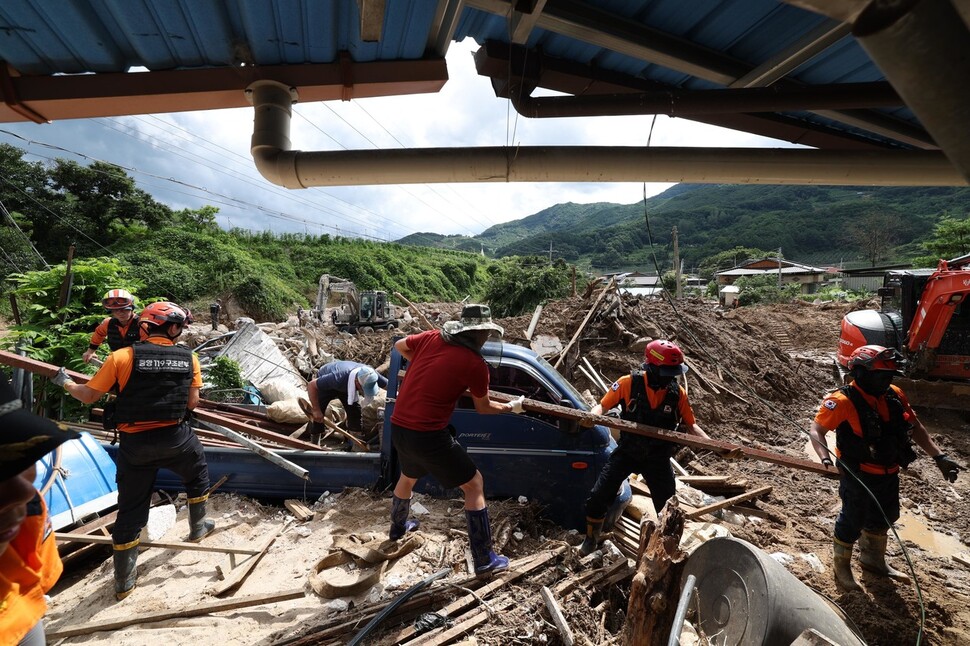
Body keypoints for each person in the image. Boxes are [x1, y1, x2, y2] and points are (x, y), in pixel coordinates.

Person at [53, 301, 214, 600]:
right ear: (175, 329)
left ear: (145, 326)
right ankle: (199, 527)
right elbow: (192, 404)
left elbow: (88, 396)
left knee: (131, 509)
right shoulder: (189, 359)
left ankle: (124, 583)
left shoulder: (121, 357)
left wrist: (65, 383)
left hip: (135, 445)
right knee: (197, 475)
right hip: (176, 438)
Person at [386, 304, 525, 576]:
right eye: (485, 333)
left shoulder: (430, 337)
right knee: (474, 484)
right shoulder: (474, 364)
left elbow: (400, 345)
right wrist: (511, 407)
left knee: (408, 476)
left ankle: (397, 528)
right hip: (428, 433)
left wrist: (424, 367)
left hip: (400, 425)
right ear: (480, 333)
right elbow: (483, 408)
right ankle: (484, 559)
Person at [809, 344, 961, 591]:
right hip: (858, 472)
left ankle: (872, 559)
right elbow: (817, 430)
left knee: (886, 516)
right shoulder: (842, 400)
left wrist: (939, 457)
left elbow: (917, 428)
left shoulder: (895, 394)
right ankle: (842, 566)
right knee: (853, 518)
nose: (886, 381)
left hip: (889, 471)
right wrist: (825, 458)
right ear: (860, 373)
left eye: (889, 376)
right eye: (881, 376)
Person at [579, 339, 718, 555]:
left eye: (674, 373)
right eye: (666, 372)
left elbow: (692, 427)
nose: (670, 378)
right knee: (598, 496)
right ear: (651, 367)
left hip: (658, 458)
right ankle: (591, 540)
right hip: (628, 451)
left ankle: (667, 550)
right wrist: (592, 417)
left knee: (669, 510)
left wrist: (716, 446)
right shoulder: (627, 383)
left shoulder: (677, 394)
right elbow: (602, 406)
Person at [0, 376, 81, 645]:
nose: (22, 492)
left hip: (16, 612)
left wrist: (66, 382)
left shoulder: (28, 512)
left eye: (18, 459)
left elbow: (90, 393)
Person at [307, 361, 387, 437]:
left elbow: (389, 386)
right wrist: (316, 410)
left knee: (355, 411)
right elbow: (311, 385)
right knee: (318, 412)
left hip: (346, 383)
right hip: (327, 378)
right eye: (363, 388)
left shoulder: (371, 374)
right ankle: (315, 440)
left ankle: (356, 440)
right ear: (357, 382)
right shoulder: (337, 378)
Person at [82, 289, 145, 364]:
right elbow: (98, 334)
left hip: (138, 363)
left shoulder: (142, 324)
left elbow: (149, 348)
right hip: (116, 362)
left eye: (124, 309)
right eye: (116, 310)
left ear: (132, 308)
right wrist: (90, 351)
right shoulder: (107, 323)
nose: (120, 313)